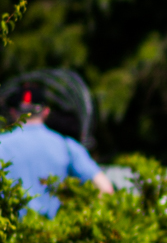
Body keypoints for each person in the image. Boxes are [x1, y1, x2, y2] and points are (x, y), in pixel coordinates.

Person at [0, 85, 113, 217]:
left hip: (9, 233)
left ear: (13, 112)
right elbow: (105, 189)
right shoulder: (66, 145)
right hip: (52, 233)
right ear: (46, 111)